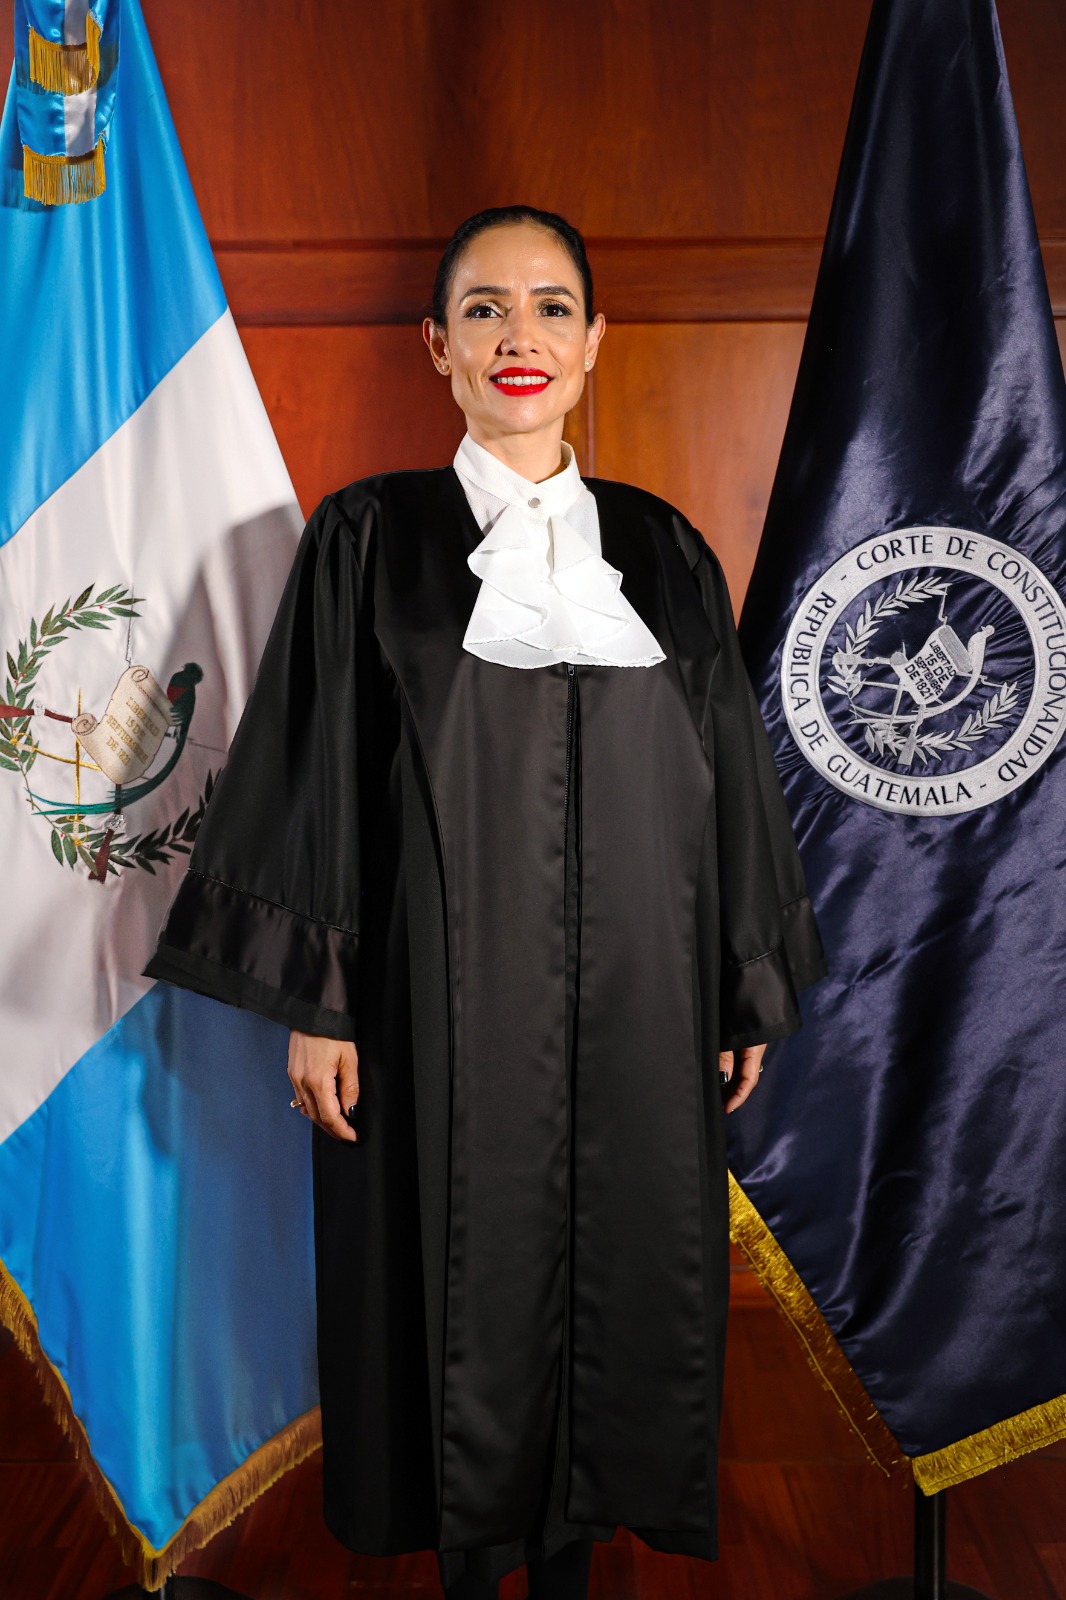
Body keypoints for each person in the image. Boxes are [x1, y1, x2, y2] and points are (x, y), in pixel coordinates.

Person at [143, 204, 828, 1598]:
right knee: (444, 1296)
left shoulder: (664, 551)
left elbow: (728, 779)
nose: (522, 335)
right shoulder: (368, 538)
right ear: (437, 346)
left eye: (552, 307)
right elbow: (313, 773)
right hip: (427, 1011)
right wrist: (317, 1004)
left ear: (594, 343)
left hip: (641, 1008)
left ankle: (571, 1565)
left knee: (624, 1291)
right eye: (485, 309)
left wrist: (739, 977)